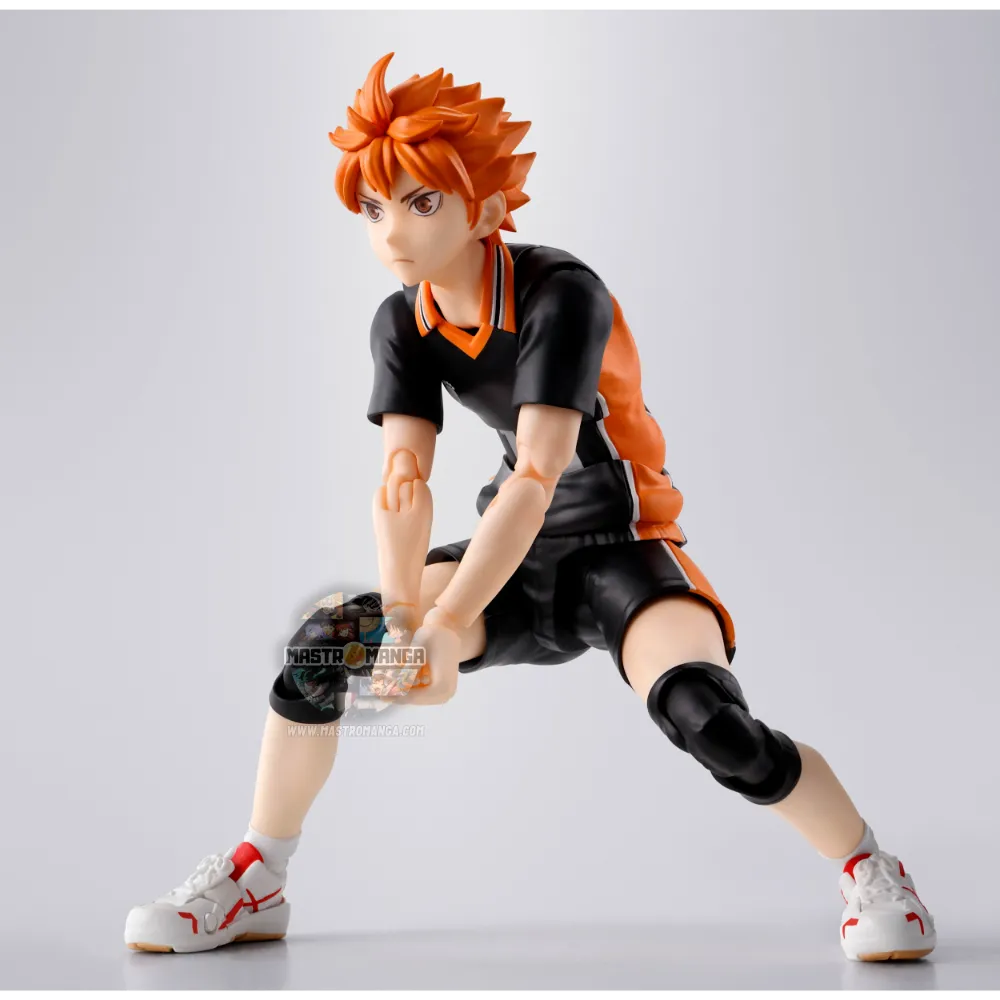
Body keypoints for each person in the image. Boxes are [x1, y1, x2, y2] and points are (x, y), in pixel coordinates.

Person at [124, 52, 936, 962]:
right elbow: (403, 480)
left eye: (421, 202)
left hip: (622, 544)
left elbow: (537, 477)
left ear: (484, 208)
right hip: (517, 560)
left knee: (705, 715)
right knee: (325, 646)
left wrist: (447, 624)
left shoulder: (561, 292)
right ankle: (258, 876)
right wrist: (405, 620)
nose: (393, 233)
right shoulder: (402, 321)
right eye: (374, 208)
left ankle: (868, 865)